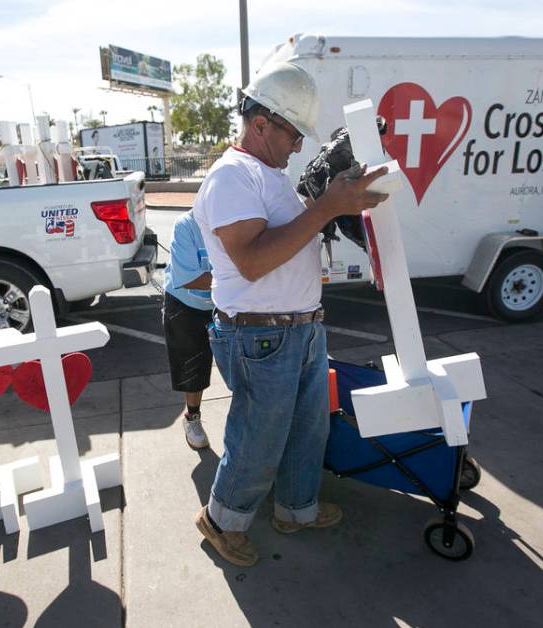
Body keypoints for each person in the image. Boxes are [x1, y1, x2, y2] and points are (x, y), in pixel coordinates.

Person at [191, 61, 389, 566]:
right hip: (259, 336)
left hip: (297, 328)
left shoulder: (268, 176)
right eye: (293, 133)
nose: (300, 146)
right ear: (261, 124)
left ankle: (295, 509)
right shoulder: (232, 177)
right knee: (258, 438)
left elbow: (291, 233)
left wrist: (323, 199)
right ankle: (221, 520)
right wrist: (325, 207)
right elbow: (253, 261)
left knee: (307, 427)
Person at [162, 211, 215, 449]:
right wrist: (242, 276)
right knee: (193, 367)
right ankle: (192, 417)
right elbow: (188, 278)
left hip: (222, 302)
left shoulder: (236, 220)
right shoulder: (186, 225)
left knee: (240, 364)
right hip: (185, 303)